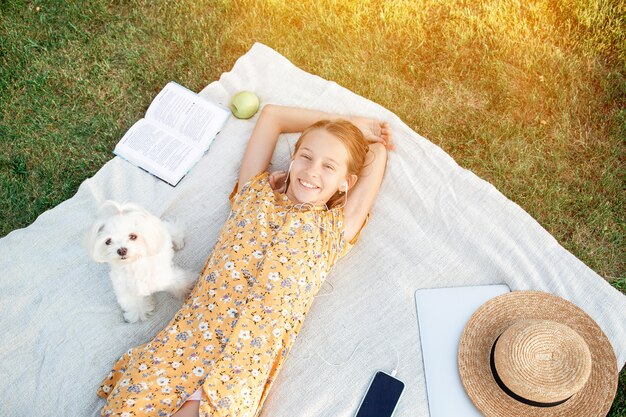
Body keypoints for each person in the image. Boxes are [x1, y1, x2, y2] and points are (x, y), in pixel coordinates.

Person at [97, 104, 394, 417]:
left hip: (240, 373)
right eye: (306, 156)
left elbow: (377, 153)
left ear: (347, 182)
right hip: (184, 347)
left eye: (329, 167)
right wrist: (346, 119)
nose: (312, 171)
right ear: (293, 158)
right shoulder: (253, 193)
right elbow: (272, 117)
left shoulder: (333, 230)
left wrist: (365, 134)